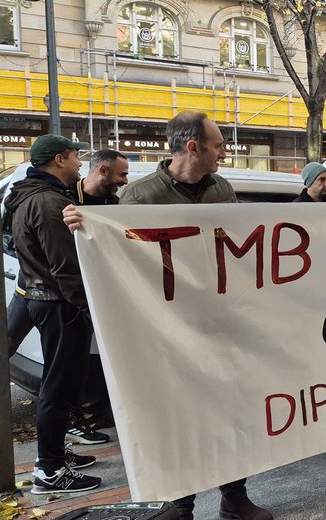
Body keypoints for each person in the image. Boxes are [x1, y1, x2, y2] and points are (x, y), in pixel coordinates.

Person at [66, 113, 272, 520]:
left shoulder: (222, 188)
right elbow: (118, 257)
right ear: (193, 147)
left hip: (219, 325)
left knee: (231, 410)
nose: (223, 151)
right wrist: (85, 223)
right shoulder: (141, 196)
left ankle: (235, 497)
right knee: (181, 417)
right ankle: (180, 504)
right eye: (217, 144)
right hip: (169, 332)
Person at [0, 150, 128, 461]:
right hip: (36, 293)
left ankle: (67, 429)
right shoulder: (61, 194)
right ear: (104, 171)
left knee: (65, 371)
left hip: (59, 295)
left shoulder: (112, 204)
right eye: (121, 175)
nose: (125, 182)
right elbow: (23, 241)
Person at [5, 134, 101, 494]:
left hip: (44, 298)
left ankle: (56, 456)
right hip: (59, 303)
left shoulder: (28, 195)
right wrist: (87, 310)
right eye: (76, 157)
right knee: (59, 385)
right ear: (60, 159)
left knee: (59, 383)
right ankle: (49, 471)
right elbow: (66, 266)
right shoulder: (47, 203)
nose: (80, 164)